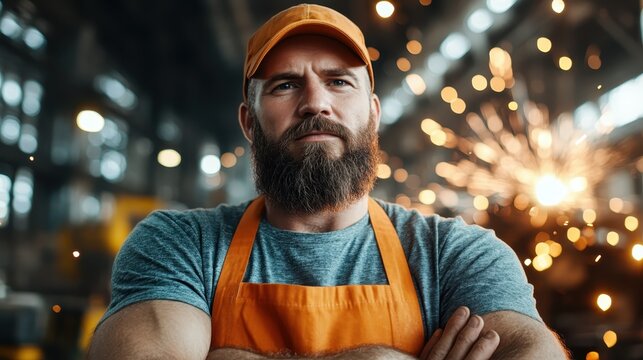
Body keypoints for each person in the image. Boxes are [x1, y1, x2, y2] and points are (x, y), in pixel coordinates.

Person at [88, 4, 569, 359]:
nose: (316, 102)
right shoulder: (179, 244)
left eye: (339, 81)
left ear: (373, 114)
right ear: (249, 123)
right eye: (285, 84)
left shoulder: (455, 254)